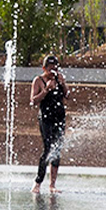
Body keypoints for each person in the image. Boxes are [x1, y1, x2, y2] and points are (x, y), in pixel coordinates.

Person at [30, 55, 67, 194]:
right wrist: (46, 89)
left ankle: (52, 185)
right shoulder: (38, 81)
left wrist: (62, 83)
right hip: (46, 119)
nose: (53, 71)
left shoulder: (59, 79)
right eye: (50, 69)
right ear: (44, 68)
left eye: (55, 68)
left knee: (57, 150)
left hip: (59, 117)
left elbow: (67, 95)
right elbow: (33, 100)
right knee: (48, 148)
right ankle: (38, 183)